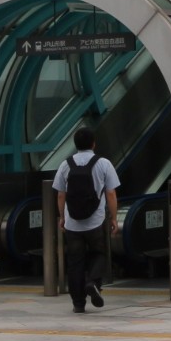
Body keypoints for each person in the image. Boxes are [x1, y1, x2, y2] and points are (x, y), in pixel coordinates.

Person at [51, 127, 119, 314]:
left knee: (75, 262)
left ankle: (78, 303)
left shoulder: (66, 164)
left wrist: (63, 217)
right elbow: (111, 193)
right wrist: (114, 217)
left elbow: (60, 195)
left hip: (73, 223)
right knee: (99, 253)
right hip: (95, 222)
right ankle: (92, 282)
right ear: (93, 143)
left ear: (75, 144)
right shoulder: (103, 163)